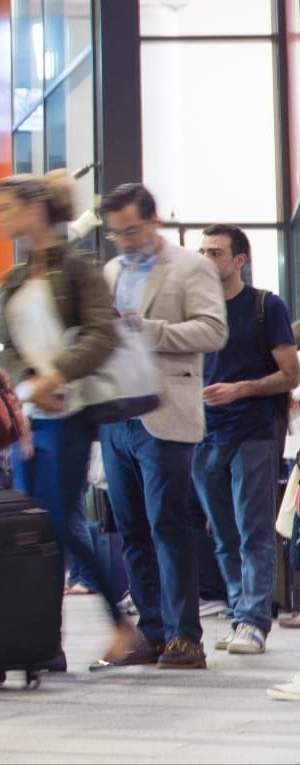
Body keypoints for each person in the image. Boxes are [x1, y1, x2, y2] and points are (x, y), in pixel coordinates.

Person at [0, 171, 146, 669]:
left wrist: (56, 376)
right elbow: (8, 346)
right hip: (29, 416)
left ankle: (118, 624)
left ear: (36, 209)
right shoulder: (14, 279)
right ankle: (46, 642)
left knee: (59, 522)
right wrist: (28, 382)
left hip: (71, 412)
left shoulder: (79, 270)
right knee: (33, 527)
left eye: (8, 207)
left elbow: (103, 336)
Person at [91, 183, 227, 671]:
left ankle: (185, 636)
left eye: (132, 230)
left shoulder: (191, 267)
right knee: (130, 529)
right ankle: (149, 631)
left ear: (153, 223)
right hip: (117, 414)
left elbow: (214, 330)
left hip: (165, 411)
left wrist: (149, 331)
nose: (125, 241)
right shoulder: (109, 271)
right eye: (116, 234)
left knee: (168, 525)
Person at [193, 224, 299, 655]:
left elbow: (291, 374)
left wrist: (239, 389)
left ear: (240, 260)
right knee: (222, 534)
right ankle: (240, 614)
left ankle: (254, 620)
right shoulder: (194, 312)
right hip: (203, 436)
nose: (205, 259)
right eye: (201, 251)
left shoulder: (264, 307)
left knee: (253, 530)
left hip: (252, 431)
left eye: (215, 252)